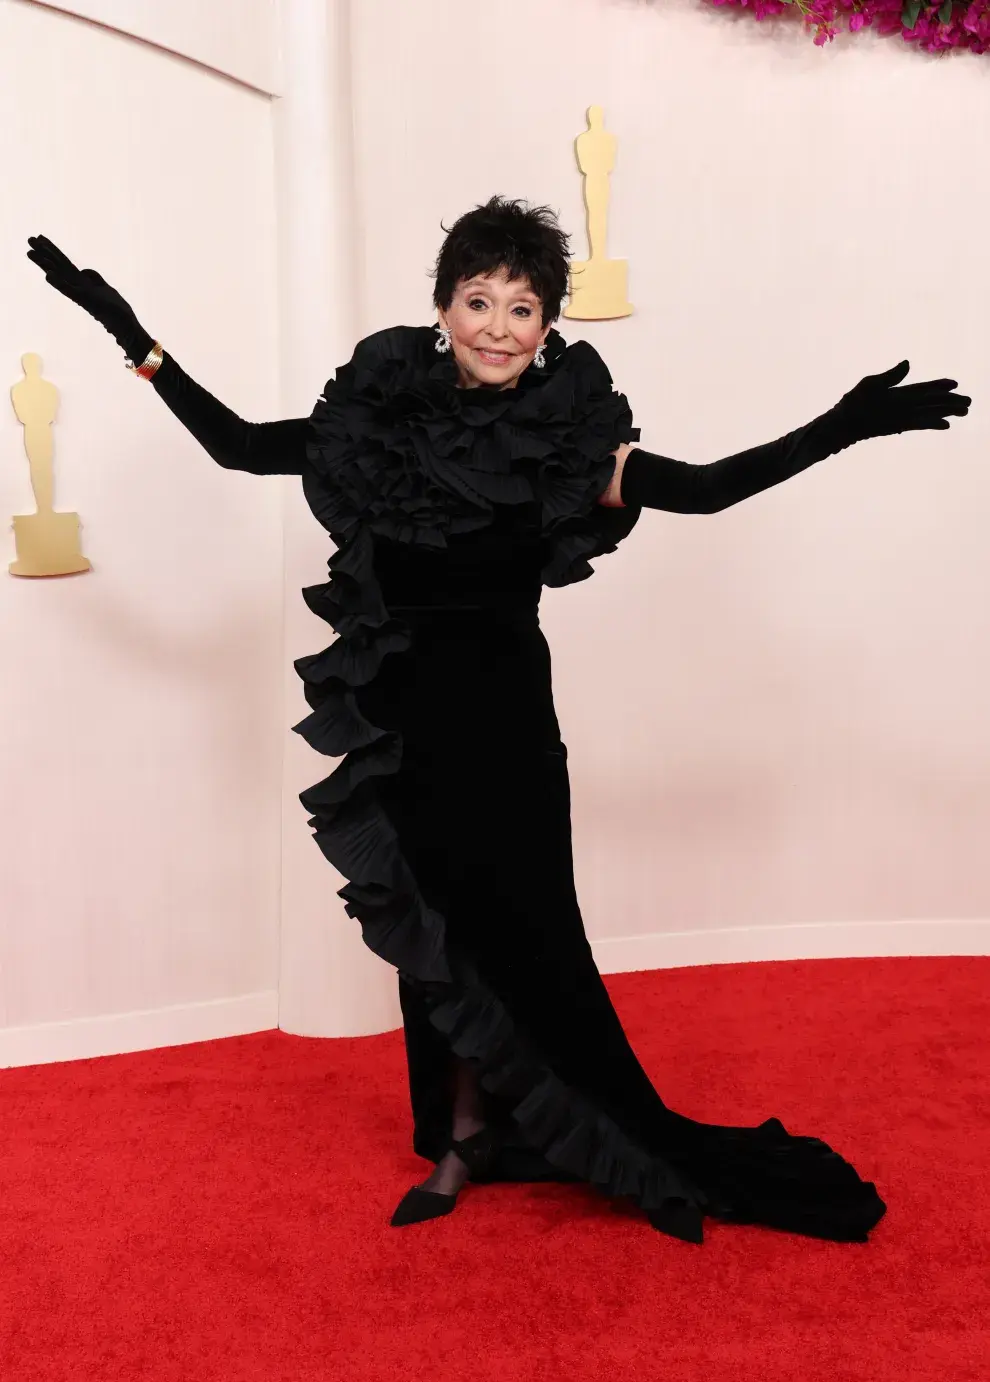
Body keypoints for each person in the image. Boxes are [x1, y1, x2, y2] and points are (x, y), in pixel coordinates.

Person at [26, 199, 970, 1244]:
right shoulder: (380, 429)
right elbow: (242, 447)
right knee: (435, 941)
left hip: (508, 734)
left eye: (524, 307)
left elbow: (700, 489)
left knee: (528, 940)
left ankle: (586, 1128)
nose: (498, 326)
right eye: (479, 300)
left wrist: (841, 424)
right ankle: (464, 1135)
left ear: (550, 324)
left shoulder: (566, 442)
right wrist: (127, 329)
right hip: (401, 728)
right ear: (442, 307)